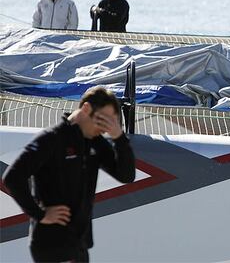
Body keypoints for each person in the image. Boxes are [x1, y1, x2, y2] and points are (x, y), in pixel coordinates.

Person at [3, 86, 136, 262]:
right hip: (53, 244)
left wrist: (119, 137)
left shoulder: (95, 142)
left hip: (79, 244)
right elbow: (13, 177)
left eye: (111, 122)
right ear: (86, 108)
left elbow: (126, 176)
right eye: (103, 120)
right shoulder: (53, 138)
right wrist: (40, 214)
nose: (105, 128)